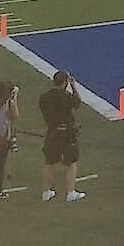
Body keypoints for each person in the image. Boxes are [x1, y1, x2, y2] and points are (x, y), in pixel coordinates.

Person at [40, 69, 86, 200]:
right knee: (71, 163)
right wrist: (74, 87)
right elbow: (77, 103)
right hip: (67, 134)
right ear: (65, 82)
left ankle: (46, 192)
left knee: (49, 163)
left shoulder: (44, 97)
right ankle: (70, 192)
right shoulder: (66, 96)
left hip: (52, 132)